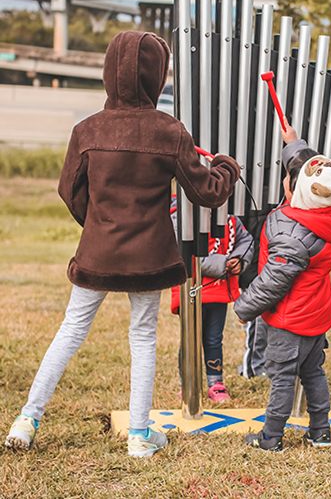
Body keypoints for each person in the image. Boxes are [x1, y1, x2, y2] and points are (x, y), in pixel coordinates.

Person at [5, 31, 240, 457]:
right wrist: (227, 166)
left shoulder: (86, 129)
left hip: (96, 252)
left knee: (70, 330)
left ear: (107, 72)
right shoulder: (170, 131)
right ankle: (138, 435)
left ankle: (27, 419)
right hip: (150, 258)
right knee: (142, 337)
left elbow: (68, 190)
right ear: (158, 76)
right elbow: (206, 191)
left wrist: (96, 225)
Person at [234, 121, 331, 451]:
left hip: (290, 321)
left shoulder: (291, 233)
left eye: (290, 177)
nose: (286, 178)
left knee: (282, 379)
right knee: (314, 373)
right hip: (316, 316)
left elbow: (274, 281)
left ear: (297, 190)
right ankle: (320, 432)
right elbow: (317, 169)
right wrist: (294, 143)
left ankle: (271, 438)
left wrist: (245, 307)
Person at [169, 199, 254, 402]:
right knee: (191, 339)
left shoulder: (229, 219)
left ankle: (216, 383)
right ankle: (188, 382)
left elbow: (245, 240)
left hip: (219, 292)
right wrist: (222, 263)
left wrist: (238, 260)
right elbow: (184, 252)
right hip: (191, 290)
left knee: (214, 339)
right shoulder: (180, 218)